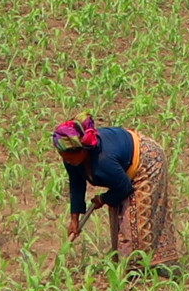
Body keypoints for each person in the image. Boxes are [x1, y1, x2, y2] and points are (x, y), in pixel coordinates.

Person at [55, 115, 179, 269]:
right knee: (119, 215)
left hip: (147, 162)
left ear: (83, 151)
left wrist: (103, 199)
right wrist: (74, 219)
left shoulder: (103, 160)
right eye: (63, 157)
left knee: (136, 216)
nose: (66, 161)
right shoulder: (71, 159)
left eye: (69, 157)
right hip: (122, 167)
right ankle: (123, 265)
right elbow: (76, 184)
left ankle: (138, 269)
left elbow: (124, 188)